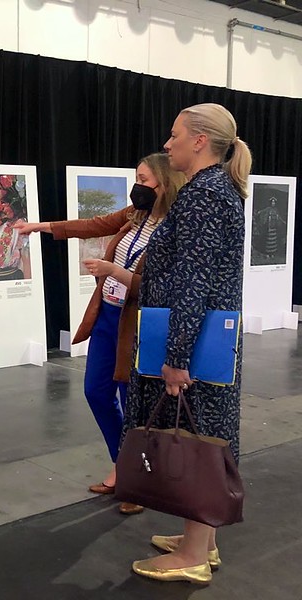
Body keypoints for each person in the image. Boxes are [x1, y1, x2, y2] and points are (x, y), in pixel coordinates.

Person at [123, 104, 252, 584]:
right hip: (203, 339)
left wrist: (176, 357)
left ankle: (194, 554)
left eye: (175, 134)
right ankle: (204, 538)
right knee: (204, 434)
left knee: (197, 438)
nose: (168, 142)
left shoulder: (204, 194)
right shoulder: (214, 189)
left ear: (200, 140)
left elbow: (192, 281)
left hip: (193, 344)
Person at [14, 153, 185, 515]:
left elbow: (156, 287)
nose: (136, 186)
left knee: (132, 401)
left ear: (165, 184)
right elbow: (91, 225)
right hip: (108, 317)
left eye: (143, 179)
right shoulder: (132, 216)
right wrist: (39, 227)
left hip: (135, 326)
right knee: (96, 391)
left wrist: (112, 270)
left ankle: (137, 479)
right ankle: (124, 465)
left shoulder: (174, 228)